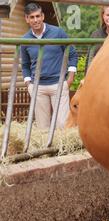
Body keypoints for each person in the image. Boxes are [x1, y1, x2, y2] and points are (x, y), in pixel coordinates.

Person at [20, 2, 78, 130]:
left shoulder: (58, 33)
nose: (36, 20)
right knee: (43, 128)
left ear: (43, 16)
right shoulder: (24, 40)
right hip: (37, 87)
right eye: (32, 17)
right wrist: (28, 83)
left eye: (38, 16)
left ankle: (62, 150)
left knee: (62, 125)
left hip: (58, 84)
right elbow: (25, 65)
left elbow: (72, 54)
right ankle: (46, 150)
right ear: (27, 19)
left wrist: (70, 79)